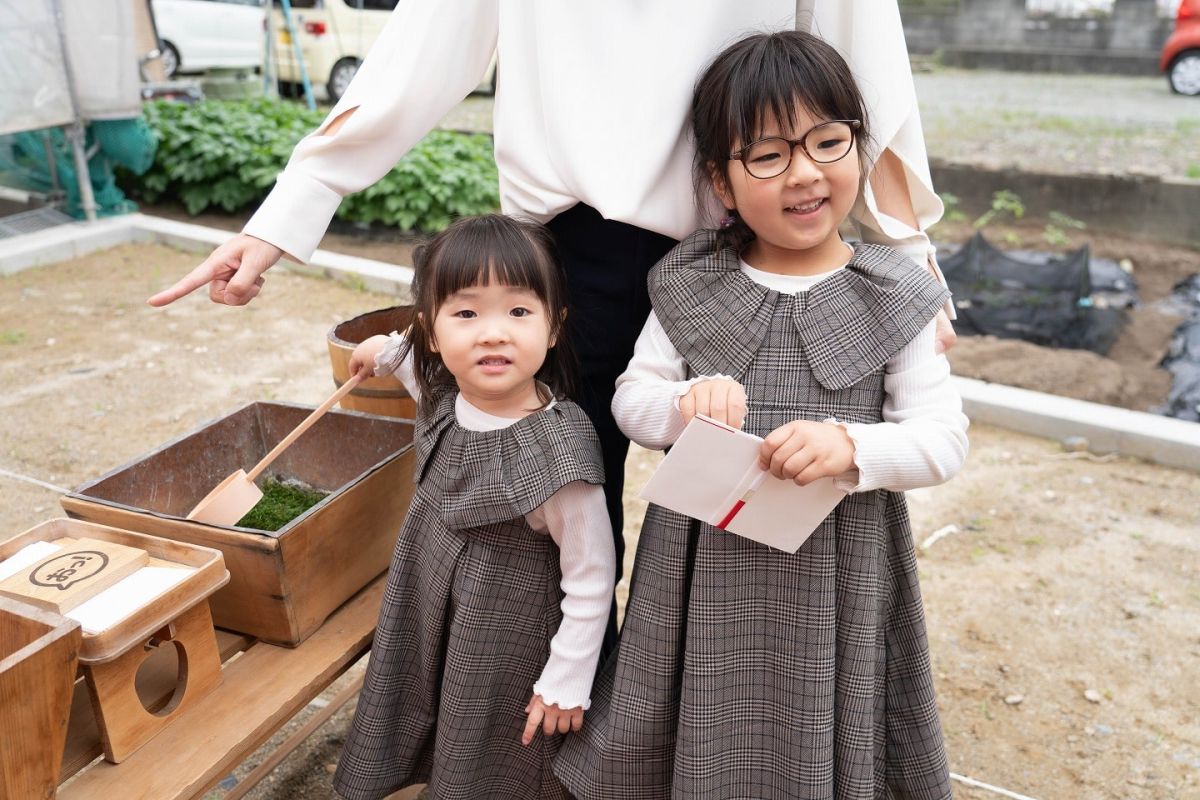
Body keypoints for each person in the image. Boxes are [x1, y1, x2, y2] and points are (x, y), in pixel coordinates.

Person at [145, 5, 955, 639]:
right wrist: (289, 209)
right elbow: (423, 47)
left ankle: (716, 717)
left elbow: (858, 61)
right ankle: (559, 725)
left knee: (759, 505)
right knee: (546, 512)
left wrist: (903, 244)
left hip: (758, 239)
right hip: (571, 249)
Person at [555, 31, 968, 799]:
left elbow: (943, 439)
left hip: (838, 566)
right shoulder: (689, 283)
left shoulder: (897, 295)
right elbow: (629, 399)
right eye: (769, 155)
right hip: (699, 562)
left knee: (814, 712)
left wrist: (851, 447)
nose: (805, 172)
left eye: (827, 142)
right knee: (703, 708)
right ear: (721, 178)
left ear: (859, 145)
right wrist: (682, 408)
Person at [336, 214, 615, 800]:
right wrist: (380, 351)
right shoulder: (443, 391)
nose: (492, 334)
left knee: (489, 742)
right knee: (424, 699)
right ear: (433, 334)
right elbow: (407, 362)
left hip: (506, 632)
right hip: (428, 598)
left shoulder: (560, 451)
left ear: (554, 327)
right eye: (466, 314)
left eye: (518, 312)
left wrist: (567, 676)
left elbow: (592, 576)